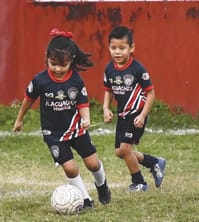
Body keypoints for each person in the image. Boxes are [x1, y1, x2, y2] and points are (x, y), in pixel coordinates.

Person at [13, 28, 111, 208]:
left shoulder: (76, 80)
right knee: (70, 168)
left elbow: (82, 103)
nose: (57, 68)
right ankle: (85, 199)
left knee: (92, 163)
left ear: (71, 61)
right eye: (53, 64)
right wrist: (20, 119)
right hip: (53, 134)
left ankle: (102, 185)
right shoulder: (40, 80)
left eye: (62, 65)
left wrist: (86, 119)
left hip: (76, 129)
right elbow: (28, 100)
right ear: (46, 58)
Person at [102, 26, 166, 192]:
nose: (117, 52)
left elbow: (150, 93)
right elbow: (108, 90)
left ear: (131, 48)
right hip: (123, 115)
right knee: (119, 152)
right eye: (113, 48)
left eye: (122, 48)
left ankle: (139, 183)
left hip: (136, 115)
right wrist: (106, 108)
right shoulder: (109, 69)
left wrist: (143, 115)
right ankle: (153, 162)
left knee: (125, 149)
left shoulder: (137, 69)